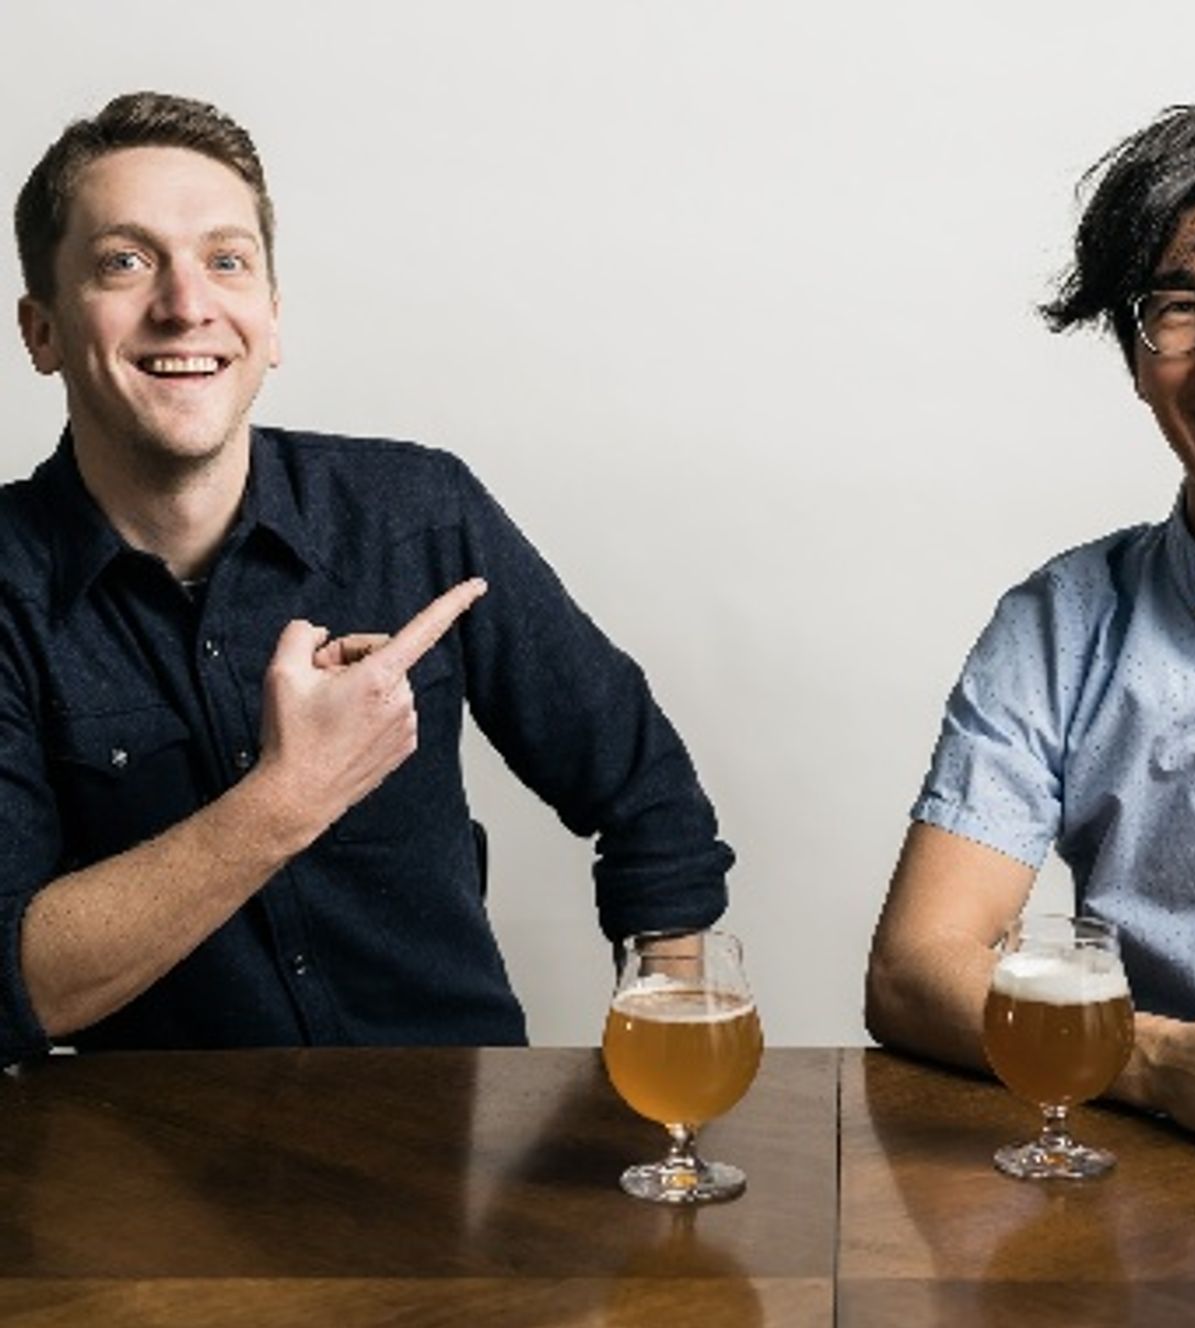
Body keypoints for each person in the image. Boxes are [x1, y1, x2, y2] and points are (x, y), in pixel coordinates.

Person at [0, 91, 732, 1061]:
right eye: (124, 262)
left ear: (271, 320)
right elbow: (8, 982)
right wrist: (290, 795)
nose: (186, 304)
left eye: (226, 260)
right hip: (155, 1151)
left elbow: (646, 792)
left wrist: (669, 1027)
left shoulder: (419, 514)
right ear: (42, 331)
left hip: (445, 1136)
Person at [865, 82, 1195, 1167]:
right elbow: (914, 969)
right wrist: (1149, 1059)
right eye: (1180, 308)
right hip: (1139, 1210)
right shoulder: (1059, 624)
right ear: (1137, 360)